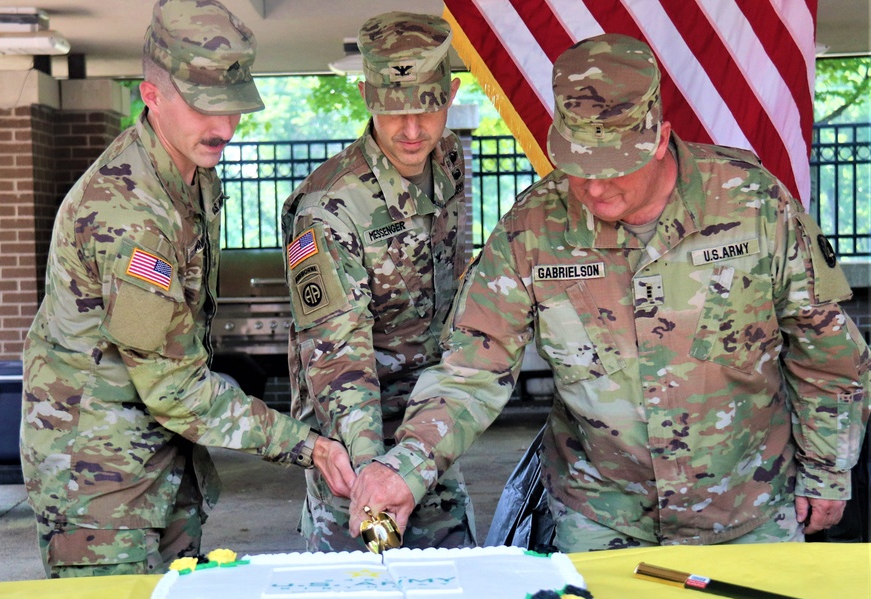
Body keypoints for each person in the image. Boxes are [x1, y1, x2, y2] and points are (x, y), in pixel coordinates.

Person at [347, 33, 871, 552]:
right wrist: (405, 468)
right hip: (601, 516)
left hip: (749, 506)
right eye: (577, 167)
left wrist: (828, 468)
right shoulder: (532, 229)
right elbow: (471, 370)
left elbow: (823, 347)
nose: (594, 189)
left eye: (612, 167)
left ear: (660, 140)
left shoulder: (754, 204)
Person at [20, 0, 355, 578]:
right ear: (152, 95)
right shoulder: (130, 215)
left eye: (235, 108)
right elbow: (173, 386)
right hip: (101, 484)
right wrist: (309, 446)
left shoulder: (189, 174)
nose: (224, 128)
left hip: (161, 461)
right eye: (205, 107)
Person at [280, 11, 476, 551]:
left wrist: (429, 442)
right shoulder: (327, 208)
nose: (412, 131)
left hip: (430, 432)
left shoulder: (451, 161)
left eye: (427, 108)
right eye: (394, 112)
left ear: (451, 93)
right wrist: (373, 477)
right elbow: (338, 356)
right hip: (353, 443)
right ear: (366, 95)